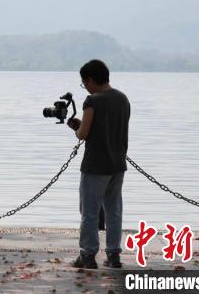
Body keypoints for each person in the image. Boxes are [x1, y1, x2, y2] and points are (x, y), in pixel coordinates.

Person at [67, 60, 130, 269]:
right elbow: (111, 129)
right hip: (117, 164)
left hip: (95, 165)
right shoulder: (123, 99)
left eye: (84, 83)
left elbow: (83, 134)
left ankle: (87, 255)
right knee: (113, 211)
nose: (85, 87)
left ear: (91, 80)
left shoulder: (93, 101)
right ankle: (113, 255)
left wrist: (76, 128)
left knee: (90, 212)